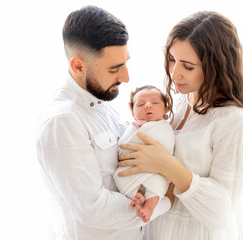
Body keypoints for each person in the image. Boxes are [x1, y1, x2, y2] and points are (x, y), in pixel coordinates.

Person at [117, 11, 243, 240]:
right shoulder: (177, 104)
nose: (175, 73)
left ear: (215, 67)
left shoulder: (232, 120)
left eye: (188, 66)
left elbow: (221, 212)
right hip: (155, 231)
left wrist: (169, 166)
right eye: (172, 59)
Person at [36, 6, 170, 240]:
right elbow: (93, 209)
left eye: (125, 63)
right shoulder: (63, 122)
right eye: (115, 68)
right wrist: (166, 197)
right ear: (78, 66)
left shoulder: (101, 100)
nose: (126, 77)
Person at [113, 85, 175, 223]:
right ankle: (137, 195)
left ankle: (149, 208)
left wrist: (146, 129)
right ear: (132, 111)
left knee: (157, 185)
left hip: (156, 171)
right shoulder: (132, 126)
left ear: (166, 108)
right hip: (131, 167)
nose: (148, 106)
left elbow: (166, 147)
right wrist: (134, 128)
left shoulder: (164, 127)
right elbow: (123, 145)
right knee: (119, 177)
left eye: (155, 102)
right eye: (141, 104)